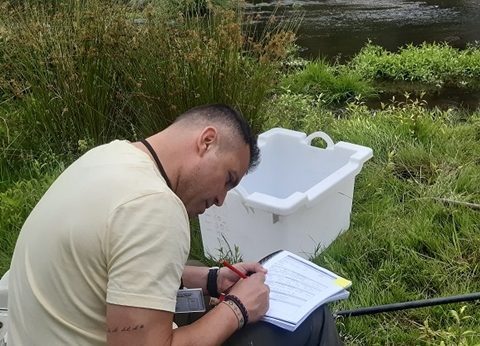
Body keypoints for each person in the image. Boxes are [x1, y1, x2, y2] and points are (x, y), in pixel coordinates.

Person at [7, 103, 342, 346]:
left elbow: (113, 261)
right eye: (227, 179)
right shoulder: (156, 209)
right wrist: (238, 309)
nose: (222, 200)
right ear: (207, 140)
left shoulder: (107, 158)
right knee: (313, 318)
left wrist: (213, 279)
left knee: (191, 269)